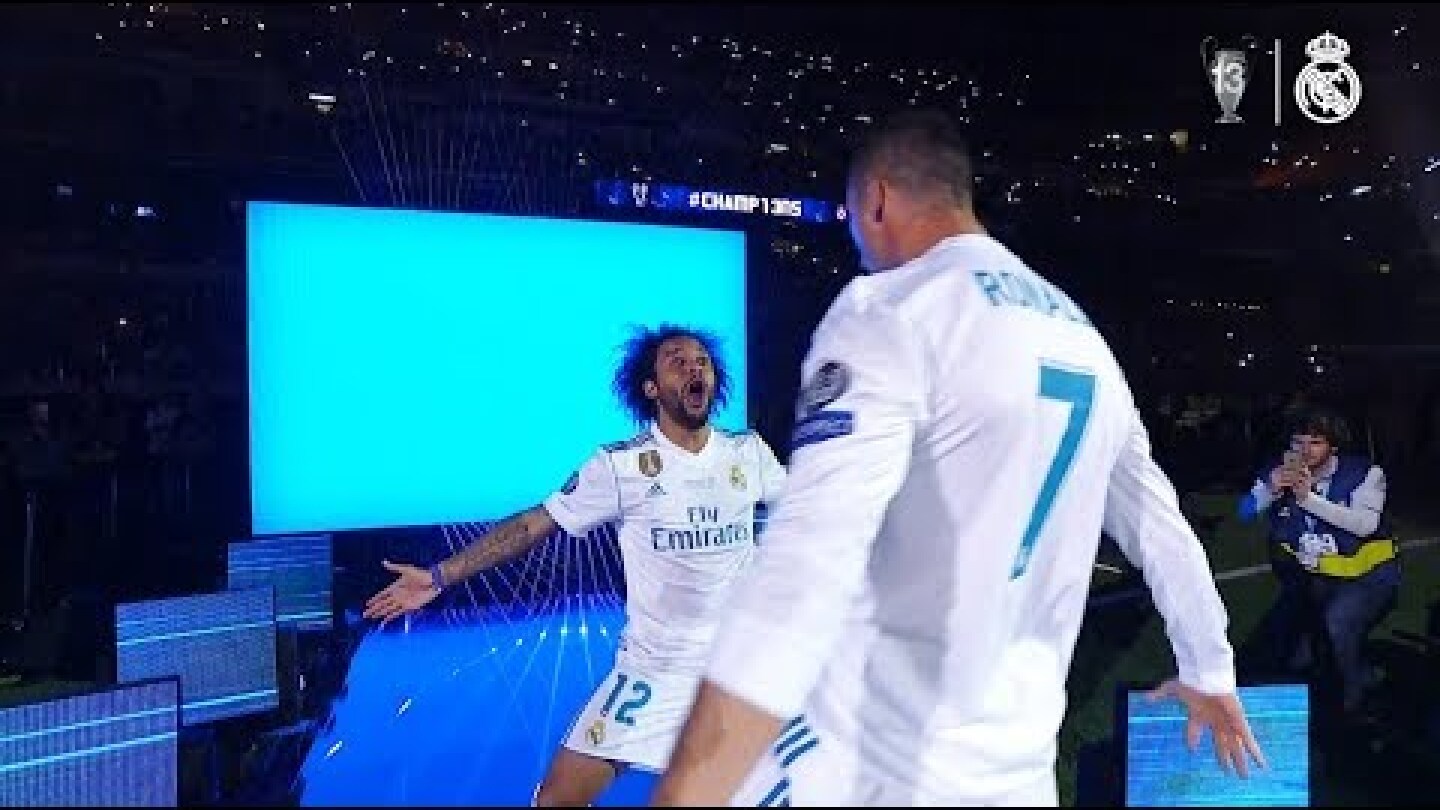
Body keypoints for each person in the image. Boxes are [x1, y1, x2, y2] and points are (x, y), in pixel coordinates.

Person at [651, 110, 1265, 807]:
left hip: (865, 763)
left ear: (875, 199)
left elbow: (805, 568)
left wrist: (690, 790)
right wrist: (1210, 670)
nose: (855, 239)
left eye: (853, 218)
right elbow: (1165, 535)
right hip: (1016, 780)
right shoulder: (1087, 344)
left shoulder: (894, 309)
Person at [363, 324, 802, 807]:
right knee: (556, 801)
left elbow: (812, 515)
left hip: (734, 668)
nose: (695, 368)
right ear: (650, 389)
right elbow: (533, 525)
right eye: (677, 361)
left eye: (702, 362)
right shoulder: (620, 467)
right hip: (652, 672)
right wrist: (440, 575)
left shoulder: (749, 453)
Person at [1238, 407, 1399, 716]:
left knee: (1336, 627)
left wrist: (1308, 500)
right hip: (1314, 581)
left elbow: (1364, 525)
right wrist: (1271, 489)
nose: (1304, 451)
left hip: (1369, 578)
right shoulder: (1280, 472)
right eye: (1298, 441)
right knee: (1293, 651)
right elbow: (1244, 511)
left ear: (1333, 445)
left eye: (1315, 442)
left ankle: (1353, 695)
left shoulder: (1365, 474)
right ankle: (1336, 676)